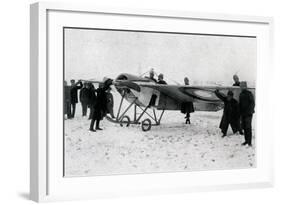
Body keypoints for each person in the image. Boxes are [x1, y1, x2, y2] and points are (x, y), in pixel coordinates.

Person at [239, 82, 255, 146]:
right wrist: (239, 112)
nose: (241, 87)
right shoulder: (241, 94)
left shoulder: (249, 94)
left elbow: (252, 103)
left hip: (248, 114)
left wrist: (249, 111)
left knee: (248, 128)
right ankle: (246, 140)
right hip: (243, 114)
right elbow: (240, 104)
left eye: (243, 86)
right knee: (245, 127)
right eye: (241, 86)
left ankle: (249, 142)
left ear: (245, 86)